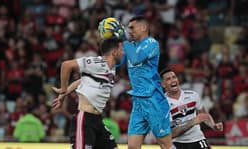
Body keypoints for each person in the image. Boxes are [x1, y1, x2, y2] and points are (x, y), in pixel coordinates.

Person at [109, 15, 174, 149]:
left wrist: (124, 40)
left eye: (132, 27)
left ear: (143, 28)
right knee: (132, 146)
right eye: (128, 28)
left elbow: (136, 58)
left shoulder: (152, 43)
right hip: (138, 101)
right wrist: (112, 42)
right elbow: (116, 62)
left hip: (153, 99)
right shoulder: (130, 45)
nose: (129, 30)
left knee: (165, 145)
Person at [51, 37, 124, 149]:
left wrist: (63, 95)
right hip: (85, 119)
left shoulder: (112, 70)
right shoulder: (97, 62)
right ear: (114, 52)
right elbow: (66, 65)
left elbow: (80, 81)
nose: (123, 53)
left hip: (98, 120)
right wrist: (63, 89)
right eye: (121, 49)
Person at [160, 68, 223, 149]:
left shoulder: (193, 95)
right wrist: (191, 123)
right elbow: (170, 133)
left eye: (174, 77)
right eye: (168, 79)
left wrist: (213, 125)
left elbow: (204, 114)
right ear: (163, 84)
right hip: (178, 143)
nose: (173, 80)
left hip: (198, 139)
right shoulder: (163, 104)